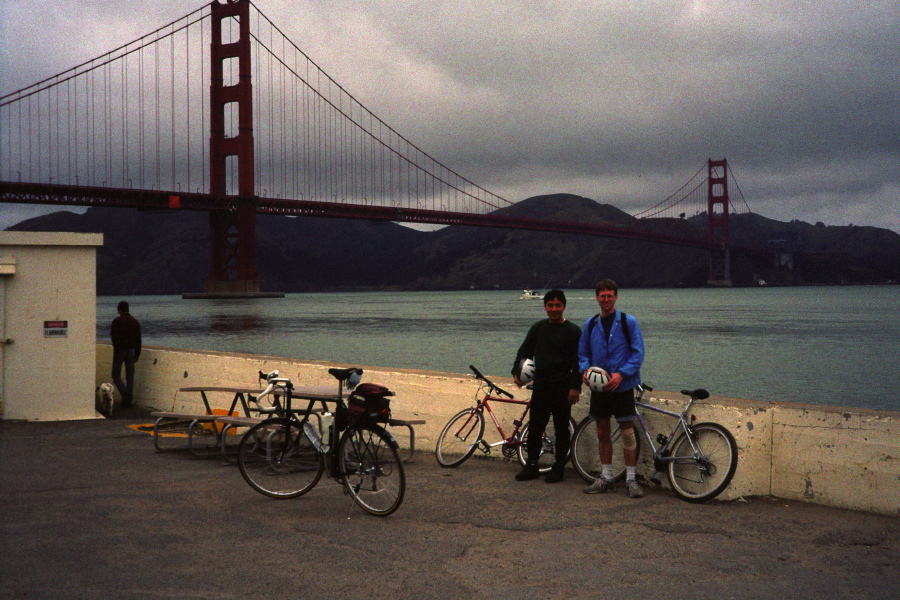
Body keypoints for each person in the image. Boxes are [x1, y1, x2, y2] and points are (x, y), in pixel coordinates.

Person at [578, 279, 646, 498]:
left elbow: (638, 353)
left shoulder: (629, 322)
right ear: (596, 298)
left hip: (623, 385)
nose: (606, 299)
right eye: (602, 295)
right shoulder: (590, 324)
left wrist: (621, 373)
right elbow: (583, 353)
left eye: (610, 295)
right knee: (602, 431)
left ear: (616, 297)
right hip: (599, 389)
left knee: (627, 432)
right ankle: (606, 478)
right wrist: (585, 371)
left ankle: (631, 480)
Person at [511, 289, 582, 483]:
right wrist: (516, 373)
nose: (554, 309)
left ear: (564, 306)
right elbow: (524, 352)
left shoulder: (573, 331)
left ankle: (558, 468)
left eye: (558, 305)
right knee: (535, 427)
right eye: (550, 305)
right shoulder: (538, 328)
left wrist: (575, 386)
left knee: (561, 428)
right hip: (541, 386)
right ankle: (531, 465)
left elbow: (579, 361)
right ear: (545, 307)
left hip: (563, 387)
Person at [111, 301, 142, 408]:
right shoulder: (135, 322)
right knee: (130, 376)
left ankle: (126, 395)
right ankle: (128, 400)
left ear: (119, 310)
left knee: (116, 375)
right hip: (131, 351)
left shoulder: (117, 321)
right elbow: (138, 340)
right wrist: (137, 354)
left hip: (120, 351)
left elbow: (114, 338)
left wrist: (119, 351)